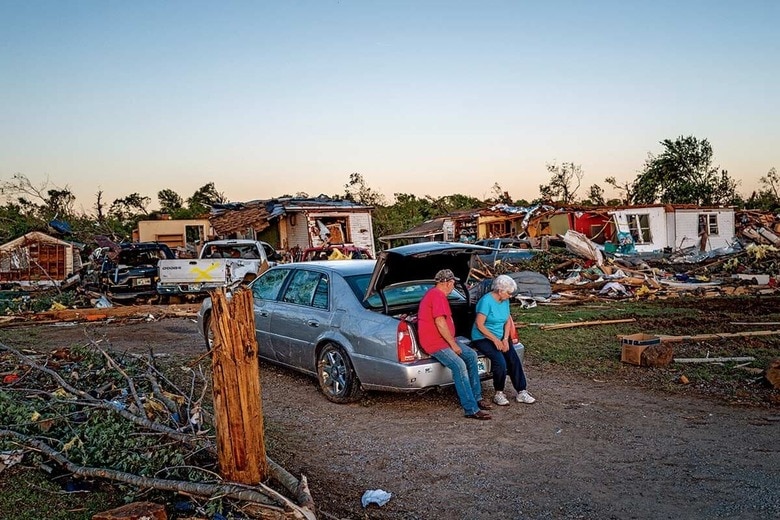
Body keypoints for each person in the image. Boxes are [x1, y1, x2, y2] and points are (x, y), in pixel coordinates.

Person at [418, 269, 493, 420]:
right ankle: (470, 408)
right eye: (452, 283)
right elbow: (440, 322)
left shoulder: (436, 294)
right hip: (435, 342)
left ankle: (477, 397)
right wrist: (453, 344)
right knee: (459, 365)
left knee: (471, 355)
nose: (453, 286)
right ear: (447, 282)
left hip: (443, 339)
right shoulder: (437, 295)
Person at [471, 274, 536, 406]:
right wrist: (495, 340)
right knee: (500, 362)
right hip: (483, 336)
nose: (510, 296)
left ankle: (521, 390)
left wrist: (506, 339)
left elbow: (507, 321)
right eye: (509, 293)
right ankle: (499, 393)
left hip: (501, 335)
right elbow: (480, 325)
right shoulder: (486, 301)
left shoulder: (504, 300)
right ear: (500, 291)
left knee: (513, 359)